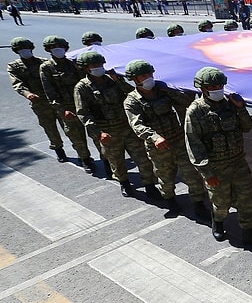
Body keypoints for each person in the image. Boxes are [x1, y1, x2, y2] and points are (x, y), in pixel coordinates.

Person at [184, 67, 252, 244]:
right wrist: (207, 173)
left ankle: (249, 232)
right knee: (221, 202)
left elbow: (247, 127)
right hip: (216, 166)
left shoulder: (230, 104)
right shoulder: (195, 111)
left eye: (220, 85)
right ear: (203, 89)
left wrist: (241, 108)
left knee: (246, 199)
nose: (217, 89)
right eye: (212, 87)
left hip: (238, 162)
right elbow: (194, 144)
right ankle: (218, 222)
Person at [123, 60, 207, 218]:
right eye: (143, 75)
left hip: (178, 140)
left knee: (192, 174)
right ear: (134, 79)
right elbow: (137, 125)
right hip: (158, 147)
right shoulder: (131, 101)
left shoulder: (163, 91)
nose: (148, 77)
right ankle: (170, 200)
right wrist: (154, 137)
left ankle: (199, 204)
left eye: (149, 74)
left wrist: (170, 91)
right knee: (165, 176)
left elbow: (186, 103)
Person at [73, 51, 158, 198]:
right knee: (116, 161)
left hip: (126, 127)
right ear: (86, 68)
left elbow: (133, 93)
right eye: (94, 65)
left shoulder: (112, 80)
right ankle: (124, 184)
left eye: (100, 64)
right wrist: (98, 133)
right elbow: (83, 113)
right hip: (107, 131)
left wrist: (119, 81)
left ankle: (150, 186)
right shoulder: (82, 88)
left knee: (143, 159)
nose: (98, 67)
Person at [7, 37, 90, 169]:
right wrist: (28, 94)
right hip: (40, 102)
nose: (24, 51)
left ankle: (83, 155)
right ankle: (58, 148)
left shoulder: (44, 62)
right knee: (50, 127)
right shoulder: (14, 66)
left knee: (72, 130)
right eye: (20, 49)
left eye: (26, 48)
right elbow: (18, 84)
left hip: (61, 101)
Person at [38, 36, 97, 172]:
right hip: (67, 108)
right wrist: (61, 110)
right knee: (76, 137)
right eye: (53, 47)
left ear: (66, 48)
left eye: (60, 46)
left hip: (84, 105)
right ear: (48, 49)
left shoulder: (74, 64)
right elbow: (50, 92)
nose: (57, 49)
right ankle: (85, 159)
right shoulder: (46, 67)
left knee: (95, 133)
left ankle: (106, 161)